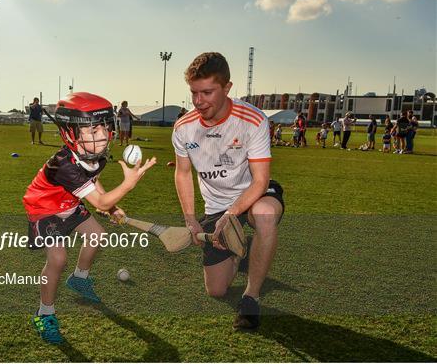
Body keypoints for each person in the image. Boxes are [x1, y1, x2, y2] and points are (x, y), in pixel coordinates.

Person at [23, 92, 156, 344]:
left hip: (69, 203)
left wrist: (112, 207)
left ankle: (79, 279)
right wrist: (125, 188)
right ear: (70, 134)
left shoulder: (96, 155)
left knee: (97, 235)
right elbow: (99, 201)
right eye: (93, 131)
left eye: (105, 129)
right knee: (58, 258)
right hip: (44, 208)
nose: (103, 136)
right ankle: (44, 313)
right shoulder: (63, 164)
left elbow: (94, 182)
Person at [172, 52, 284, 331]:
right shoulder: (184, 128)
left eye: (207, 92)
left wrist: (233, 214)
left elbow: (260, 181)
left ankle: (251, 298)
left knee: (265, 215)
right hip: (215, 205)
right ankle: (240, 252)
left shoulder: (252, 119)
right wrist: (190, 218)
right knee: (217, 290)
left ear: (227, 88)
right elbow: (183, 172)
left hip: (254, 194)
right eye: (194, 93)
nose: (198, 101)